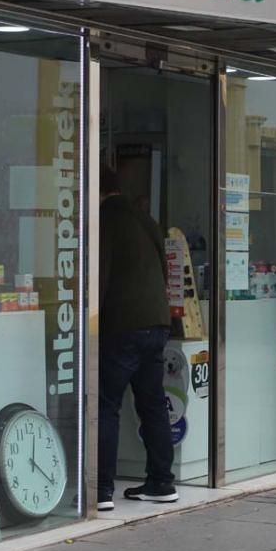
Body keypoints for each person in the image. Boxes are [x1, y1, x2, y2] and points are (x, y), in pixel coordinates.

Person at [97, 166, 177, 511]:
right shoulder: (146, 219)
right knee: (153, 404)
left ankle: (99, 490)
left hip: (121, 324)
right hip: (156, 323)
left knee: (105, 406)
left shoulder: (104, 219)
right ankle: (162, 482)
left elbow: (98, 274)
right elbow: (163, 268)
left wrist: (90, 321)